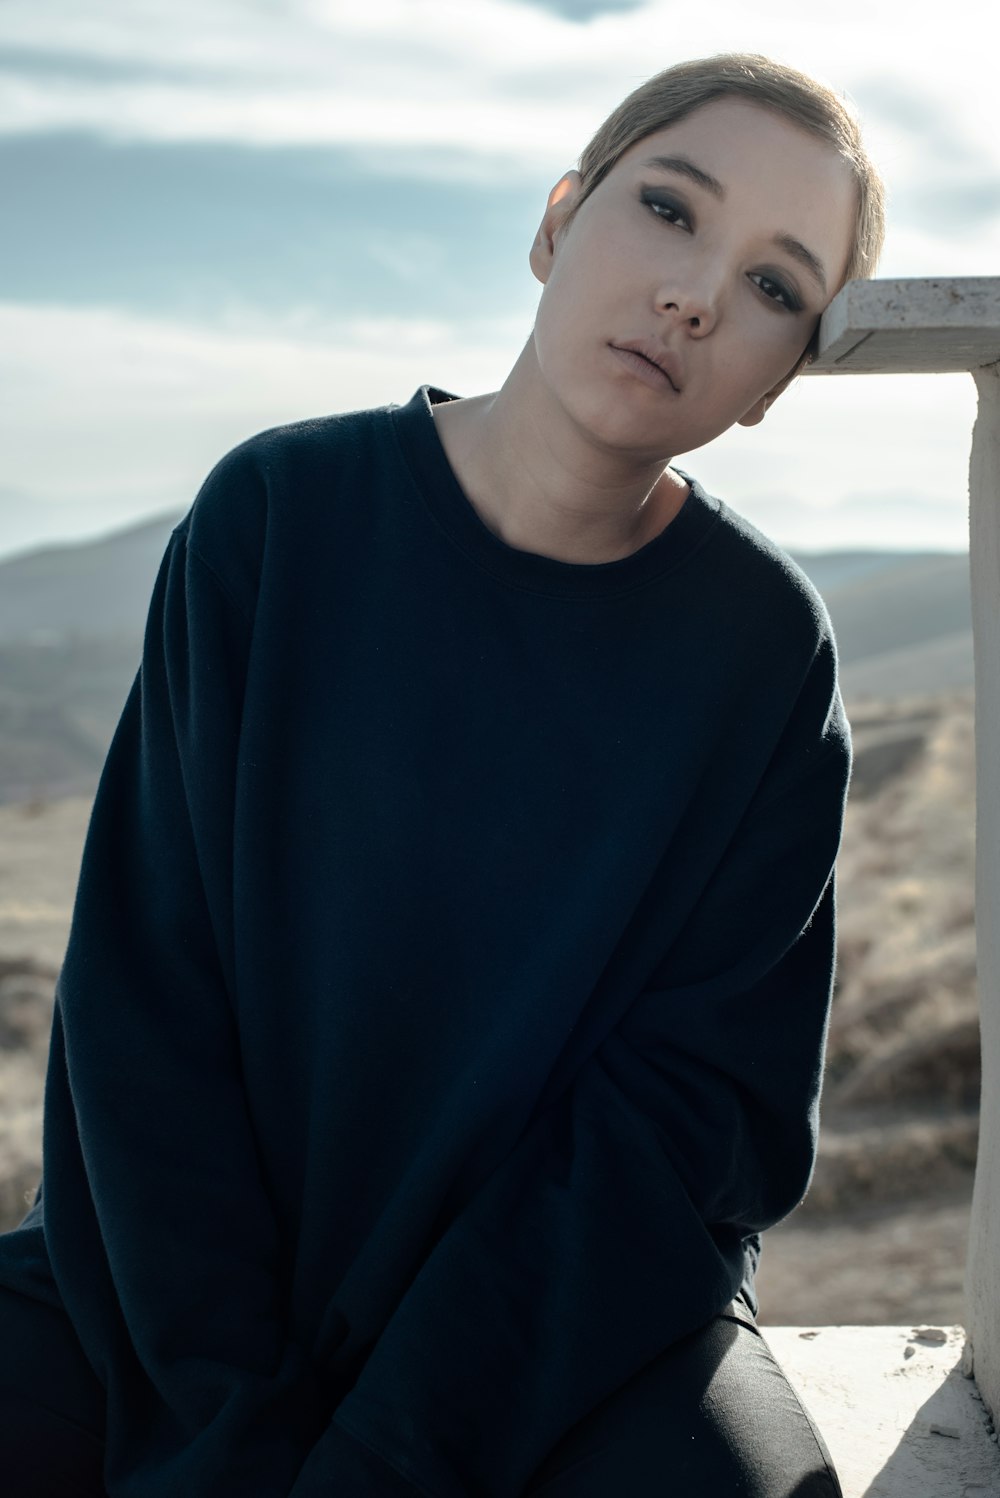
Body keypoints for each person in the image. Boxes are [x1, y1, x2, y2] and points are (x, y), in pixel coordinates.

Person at [0, 50, 884, 1497]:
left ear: (778, 381)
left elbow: (689, 1127)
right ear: (555, 222)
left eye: (777, 286)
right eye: (670, 209)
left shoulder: (763, 653)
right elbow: (145, 1024)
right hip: (185, 1300)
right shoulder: (274, 524)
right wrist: (229, 1433)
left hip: (558, 1330)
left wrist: (395, 1454)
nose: (698, 294)